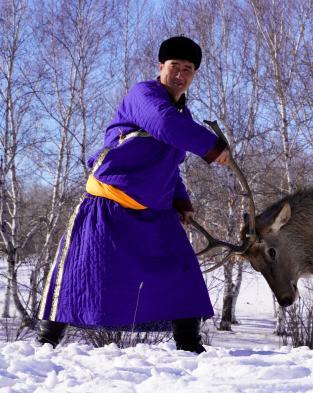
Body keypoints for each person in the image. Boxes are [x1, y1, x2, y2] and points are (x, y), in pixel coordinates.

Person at [36, 36, 229, 354]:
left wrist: (180, 199)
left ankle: (190, 347)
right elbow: (163, 124)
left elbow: (171, 161)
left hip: (154, 214)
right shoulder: (145, 95)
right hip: (108, 205)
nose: (181, 74)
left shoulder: (184, 115)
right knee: (78, 272)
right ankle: (46, 343)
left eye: (188, 69)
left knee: (182, 269)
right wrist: (212, 146)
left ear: (194, 74)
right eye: (175, 66)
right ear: (161, 67)